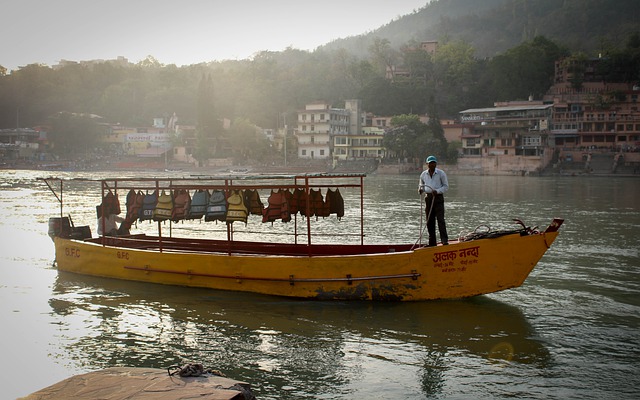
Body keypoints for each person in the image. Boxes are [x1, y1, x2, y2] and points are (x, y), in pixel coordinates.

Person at [418, 155, 449, 246]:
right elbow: (421, 185)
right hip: (428, 198)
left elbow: (445, 186)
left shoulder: (441, 173)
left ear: (436, 164)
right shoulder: (423, 174)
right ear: (427, 164)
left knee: (440, 220)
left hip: (438, 198)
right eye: (430, 163)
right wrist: (420, 190)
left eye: (433, 163)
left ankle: (444, 240)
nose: (432, 165)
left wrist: (438, 191)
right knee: (429, 221)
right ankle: (432, 243)